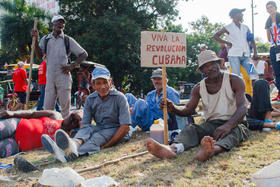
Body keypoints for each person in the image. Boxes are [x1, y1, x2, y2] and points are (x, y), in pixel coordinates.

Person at [146, 50, 250, 162]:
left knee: (236, 132)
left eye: (212, 64)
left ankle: (211, 150)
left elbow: (242, 108)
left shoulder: (234, 80)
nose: (209, 68)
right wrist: (173, 108)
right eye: (205, 66)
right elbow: (188, 110)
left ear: (219, 64)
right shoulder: (198, 88)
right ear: (202, 71)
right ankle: (173, 149)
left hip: (235, 123)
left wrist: (228, 126)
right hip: (211, 124)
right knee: (191, 129)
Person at [41, 67, 131, 162]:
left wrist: (107, 145)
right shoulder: (90, 99)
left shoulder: (120, 98)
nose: (103, 86)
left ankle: (67, 155)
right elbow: (85, 124)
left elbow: (125, 127)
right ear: (93, 85)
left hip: (117, 130)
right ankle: (73, 145)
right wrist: (82, 137)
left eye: (105, 82)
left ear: (110, 82)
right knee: (87, 129)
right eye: (98, 83)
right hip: (100, 128)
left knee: (96, 137)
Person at [32, 15, 88, 118]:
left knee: (65, 109)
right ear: (53, 24)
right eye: (58, 22)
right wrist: (35, 40)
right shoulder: (46, 39)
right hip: (50, 77)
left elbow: (83, 54)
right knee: (48, 108)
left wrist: (72, 65)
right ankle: (49, 129)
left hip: (63, 76)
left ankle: (65, 130)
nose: (61, 24)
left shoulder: (67, 40)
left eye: (62, 23)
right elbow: (40, 55)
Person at [0, 110, 82, 160]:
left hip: (17, 145)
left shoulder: (65, 140)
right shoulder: (55, 115)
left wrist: (80, 124)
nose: (72, 120)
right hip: (16, 124)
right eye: (72, 116)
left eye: (75, 122)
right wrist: (13, 113)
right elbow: (32, 113)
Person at [214, 8, 258, 81]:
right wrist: (227, 43)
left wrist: (255, 52)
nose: (242, 14)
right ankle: (237, 91)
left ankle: (255, 91)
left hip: (246, 54)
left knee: (252, 73)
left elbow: (252, 39)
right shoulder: (228, 27)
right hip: (234, 55)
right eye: (240, 13)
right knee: (236, 76)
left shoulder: (245, 27)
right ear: (234, 15)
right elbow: (216, 36)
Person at [265, 1, 280, 101]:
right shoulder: (268, 21)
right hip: (274, 48)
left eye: (271, 7)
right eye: (268, 8)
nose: (270, 10)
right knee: (277, 72)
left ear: (275, 7)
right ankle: (279, 93)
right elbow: (269, 38)